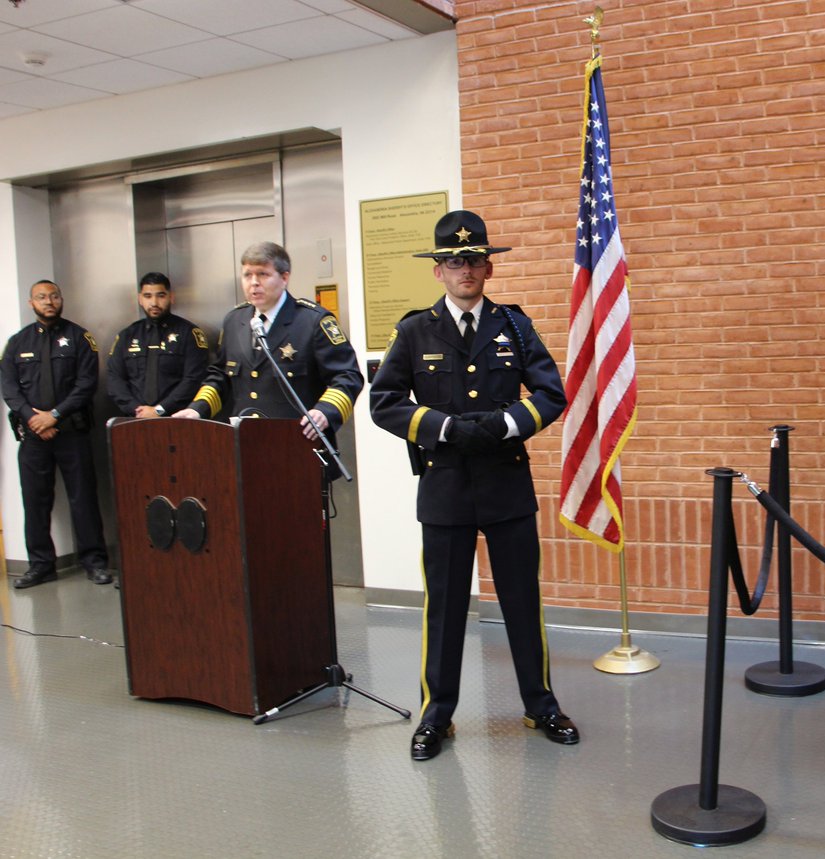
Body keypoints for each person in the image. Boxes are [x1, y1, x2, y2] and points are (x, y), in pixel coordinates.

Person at [370, 210, 578, 761]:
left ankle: (541, 705)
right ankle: (435, 716)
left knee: (521, 601)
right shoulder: (415, 331)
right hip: (444, 488)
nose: (464, 269)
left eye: (473, 260)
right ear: (437, 270)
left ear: (488, 267)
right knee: (443, 608)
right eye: (452, 261)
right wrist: (441, 428)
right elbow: (383, 403)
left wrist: (505, 424)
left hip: (506, 482)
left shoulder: (513, 325)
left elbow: (552, 392)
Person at [175, 242, 362, 444]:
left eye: (263, 274)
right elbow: (220, 377)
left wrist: (325, 412)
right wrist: (197, 409)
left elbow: (347, 376)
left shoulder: (312, 321)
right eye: (247, 275)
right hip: (245, 446)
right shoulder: (234, 321)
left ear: (284, 278)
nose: (254, 283)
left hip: (298, 443)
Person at [1, 280, 112, 588]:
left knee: (84, 499)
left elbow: (86, 384)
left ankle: (95, 562)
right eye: (41, 297)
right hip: (34, 436)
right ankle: (40, 565)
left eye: (53, 296)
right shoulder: (17, 342)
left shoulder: (80, 338)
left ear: (61, 299)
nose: (48, 302)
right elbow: (9, 387)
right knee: (35, 501)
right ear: (31, 303)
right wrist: (32, 418)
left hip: (71, 434)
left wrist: (54, 416)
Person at [107, 272, 209, 419]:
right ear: (140, 299)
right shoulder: (126, 336)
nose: (154, 302)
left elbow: (193, 379)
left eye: (160, 295)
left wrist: (160, 410)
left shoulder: (190, 334)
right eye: (148, 296)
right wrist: (137, 411)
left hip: (177, 419)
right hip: (134, 420)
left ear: (171, 297)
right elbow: (114, 379)